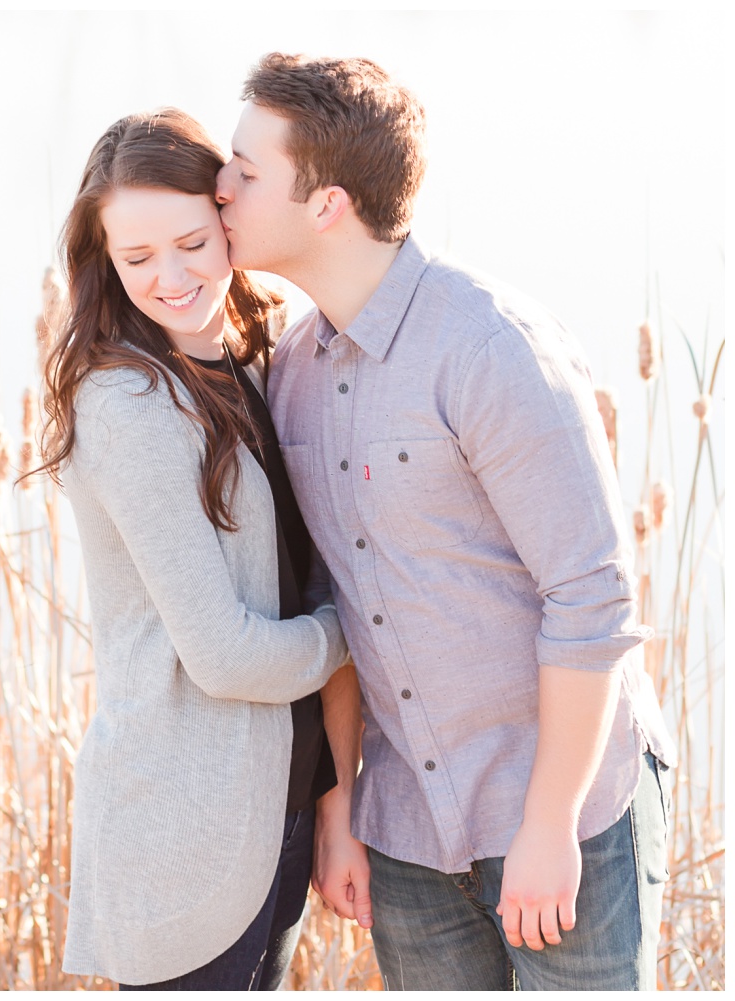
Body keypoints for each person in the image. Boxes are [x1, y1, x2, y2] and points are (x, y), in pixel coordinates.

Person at [215, 53, 676, 991]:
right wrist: (343, 802)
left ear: (327, 205)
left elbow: (590, 599)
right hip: (409, 832)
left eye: (245, 171)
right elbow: (331, 605)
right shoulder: (294, 370)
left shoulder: (488, 348)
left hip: (562, 815)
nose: (218, 188)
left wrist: (549, 824)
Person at [37, 108, 351, 990]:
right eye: (136, 259)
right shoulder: (128, 405)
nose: (171, 278)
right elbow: (222, 652)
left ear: (228, 218)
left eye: (190, 243)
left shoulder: (251, 357)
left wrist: (335, 795)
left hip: (275, 815)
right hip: (185, 829)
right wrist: (349, 632)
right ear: (104, 261)